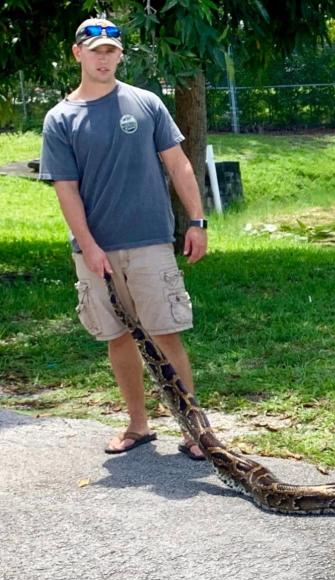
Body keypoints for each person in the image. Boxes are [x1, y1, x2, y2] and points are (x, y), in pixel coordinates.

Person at [39, 18, 209, 460]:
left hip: (151, 241)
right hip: (95, 251)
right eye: (94, 50)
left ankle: (194, 429)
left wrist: (197, 221)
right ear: (77, 53)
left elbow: (179, 166)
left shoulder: (146, 103)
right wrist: (90, 247)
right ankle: (138, 424)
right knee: (117, 338)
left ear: (119, 55)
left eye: (111, 51)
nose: (103, 57)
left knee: (165, 333)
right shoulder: (61, 118)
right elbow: (66, 190)